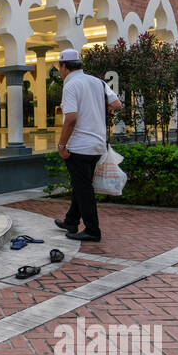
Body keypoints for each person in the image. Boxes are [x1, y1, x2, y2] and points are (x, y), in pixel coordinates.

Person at [54, 49, 121, 242]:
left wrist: (62, 145)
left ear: (64, 66)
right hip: (97, 144)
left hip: (79, 146)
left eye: (60, 67)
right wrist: (96, 110)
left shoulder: (71, 85)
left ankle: (92, 230)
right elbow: (117, 104)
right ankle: (71, 221)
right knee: (81, 185)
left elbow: (71, 118)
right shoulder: (97, 82)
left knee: (83, 189)